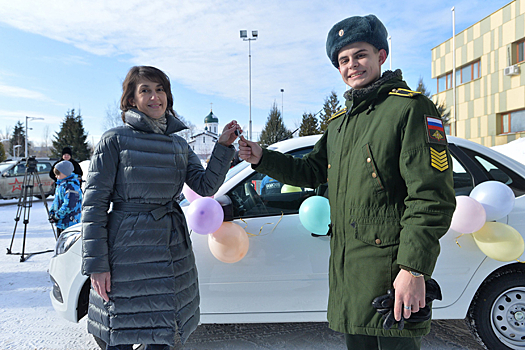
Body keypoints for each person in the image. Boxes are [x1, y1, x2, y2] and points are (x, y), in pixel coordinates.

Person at [238, 14, 456, 350]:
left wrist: (413, 270)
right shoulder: (339, 124)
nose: (352, 65)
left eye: (360, 55)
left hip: (391, 274)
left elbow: (431, 197)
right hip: (349, 272)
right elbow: (311, 171)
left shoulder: (409, 111)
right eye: (343, 60)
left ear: (381, 55)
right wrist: (262, 157)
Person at [81, 66, 240, 350]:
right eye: (145, 91)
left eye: (160, 89)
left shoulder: (178, 144)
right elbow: (93, 206)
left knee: (163, 335)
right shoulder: (114, 140)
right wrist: (97, 265)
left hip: (171, 251)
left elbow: (205, 187)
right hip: (126, 256)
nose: (155, 97)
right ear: (131, 99)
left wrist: (223, 148)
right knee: (120, 333)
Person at [48, 160, 82, 237]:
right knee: (60, 244)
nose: (56, 176)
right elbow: (56, 201)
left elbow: (69, 205)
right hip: (61, 222)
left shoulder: (71, 186)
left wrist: (57, 216)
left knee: (66, 245)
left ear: (65, 173)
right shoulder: (61, 185)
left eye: (57, 174)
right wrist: (52, 212)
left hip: (69, 223)